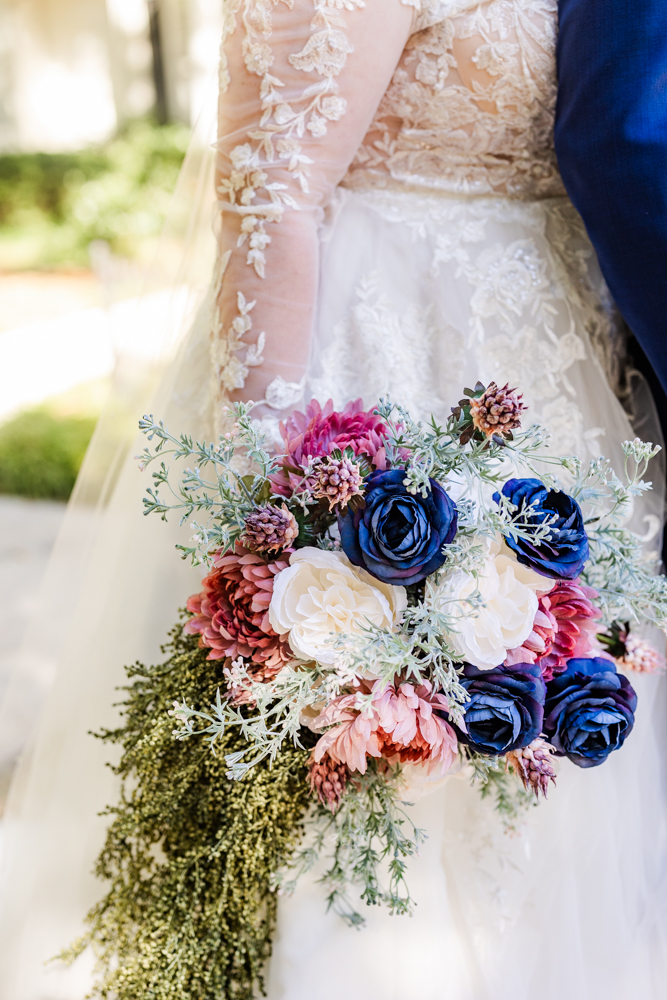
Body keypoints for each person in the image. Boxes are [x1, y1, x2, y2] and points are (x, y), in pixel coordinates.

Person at [1, 2, 666, 998]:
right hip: (382, 387)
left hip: (555, 390)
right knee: (383, 782)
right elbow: (272, 191)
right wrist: (282, 503)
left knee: (556, 797)